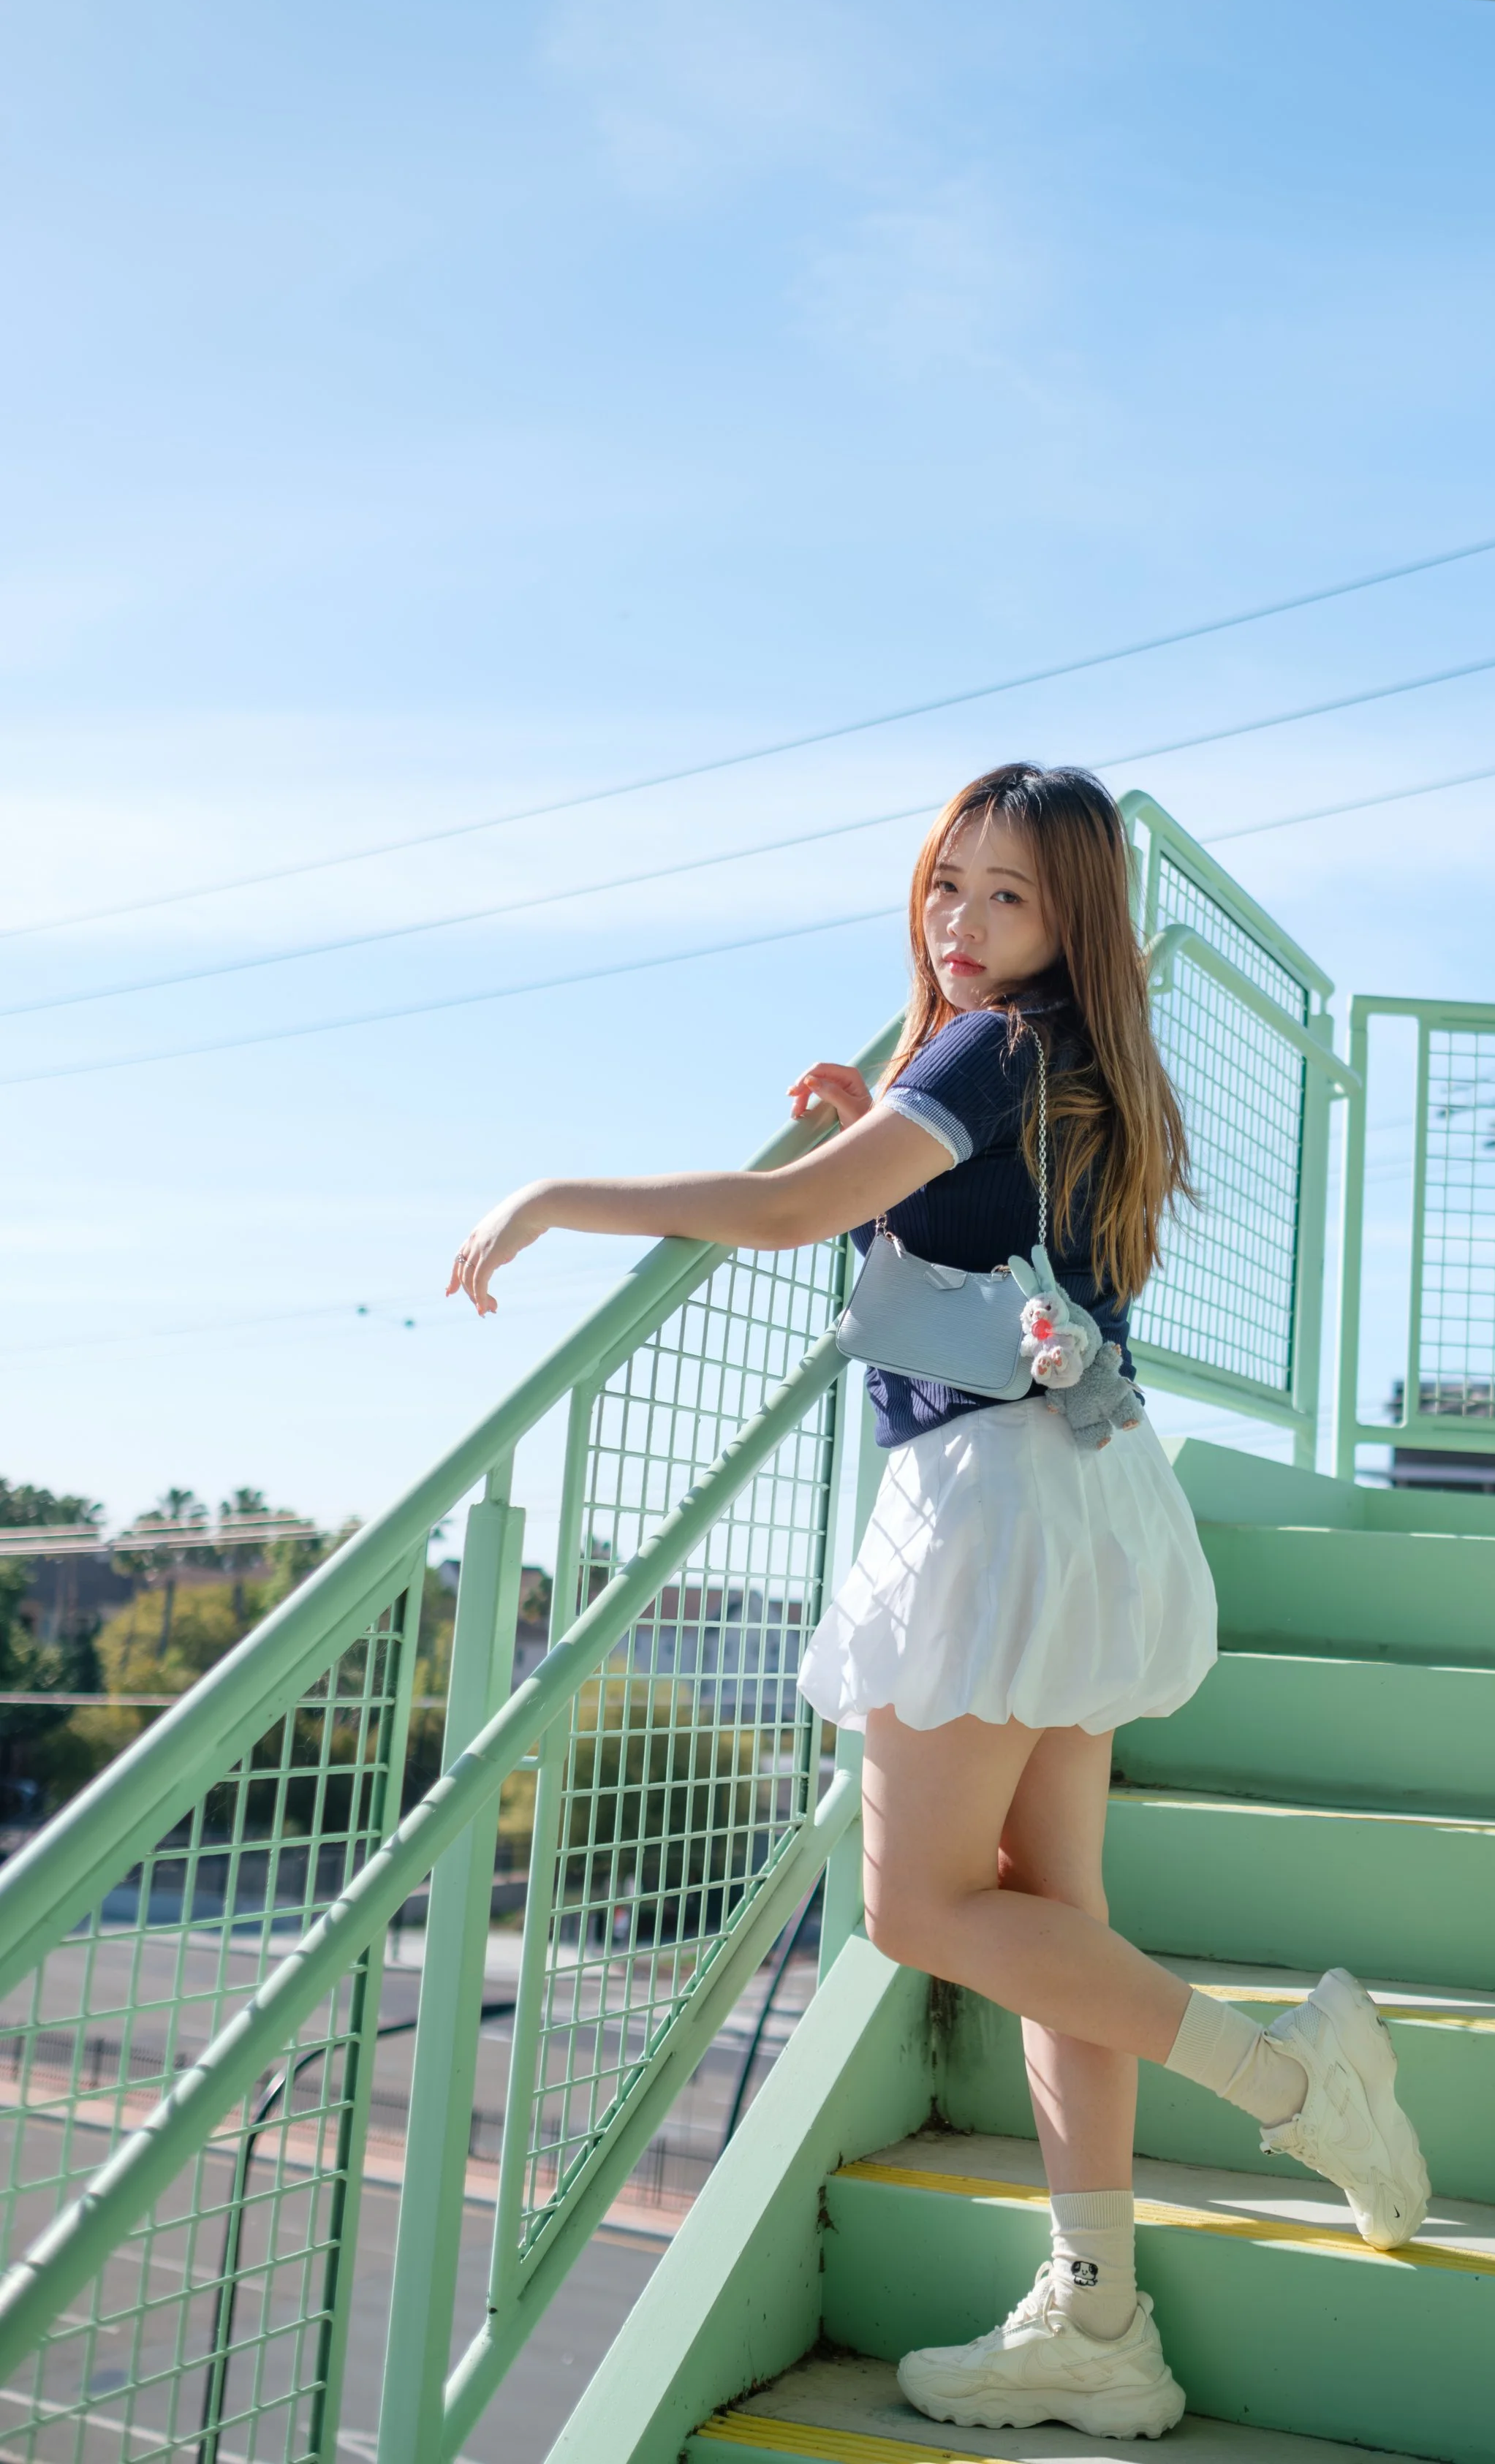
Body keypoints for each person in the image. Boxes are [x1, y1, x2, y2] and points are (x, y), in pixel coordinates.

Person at [448, 761, 1428, 2442]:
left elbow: (777, 1218)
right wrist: (880, 1127)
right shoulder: (1073, 1061)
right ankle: (1099, 2317)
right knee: (1056, 1917)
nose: (959, 925)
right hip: (1083, 1495)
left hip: (987, 1509)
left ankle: (1291, 2082)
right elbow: (976, 1234)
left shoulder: (989, 1047)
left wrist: (550, 1195)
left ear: (1073, 925)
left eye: (1006, 899)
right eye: (943, 884)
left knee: (913, 1910)